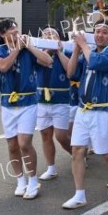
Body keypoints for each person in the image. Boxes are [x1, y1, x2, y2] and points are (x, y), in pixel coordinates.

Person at [62, 19, 108, 209]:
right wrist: (76, 50)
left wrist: (82, 44)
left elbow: (97, 63)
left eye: (105, 32)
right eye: (97, 31)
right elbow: (71, 73)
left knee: (105, 153)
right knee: (77, 151)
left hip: (103, 111)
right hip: (83, 109)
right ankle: (79, 194)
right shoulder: (88, 52)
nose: (100, 35)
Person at [0, 20, 53, 199]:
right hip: (8, 103)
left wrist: (30, 47)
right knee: (12, 145)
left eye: (17, 28)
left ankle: (33, 180)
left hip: (28, 102)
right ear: (3, 34)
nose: (16, 31)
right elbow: (3, 67)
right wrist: (17, 48)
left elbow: (48, 60)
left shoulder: (28, 51)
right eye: (11, 29)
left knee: (24, 143)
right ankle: (20, 180)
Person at [35, 27, 72, 181]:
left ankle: (76, 154)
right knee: (45, 134)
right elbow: (40, 62)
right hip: (42, 98)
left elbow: (71, 71)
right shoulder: (37, 52)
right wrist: (48, 50)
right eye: (46, 34)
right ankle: (51, 167)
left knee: (61, 136)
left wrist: (58, 52)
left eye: (53, 34)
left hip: (61, 99)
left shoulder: (66, 52)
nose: (49, 36)